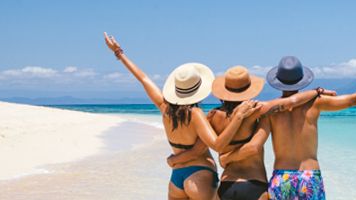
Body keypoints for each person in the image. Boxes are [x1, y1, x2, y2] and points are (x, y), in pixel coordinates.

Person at [168, 66, 336, 200]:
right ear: (247, 89)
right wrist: (316, 92)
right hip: (255, 185)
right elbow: (289, 102)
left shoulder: (212, 116)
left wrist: (175, 159)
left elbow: (198, 149)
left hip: (227, 186)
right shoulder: (255, 110)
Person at [262, 56, 356, 200]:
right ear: (302, 79)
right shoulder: (316, 102)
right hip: (309, 176)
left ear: (278, 81)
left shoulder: (269, 110)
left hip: (281, 178)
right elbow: (355, 99)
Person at [104, 32, 229, 200]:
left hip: (176, 177)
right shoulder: (195, 113)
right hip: (200, 173)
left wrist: (119, 53)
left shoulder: (164, 108)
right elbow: (215, 144)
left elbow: (143, 78)